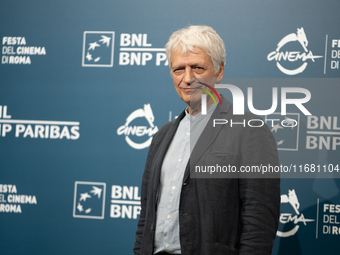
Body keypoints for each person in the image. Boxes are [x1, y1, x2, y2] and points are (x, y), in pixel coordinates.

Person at [134, 25, 280, 255]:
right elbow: (146, 217)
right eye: (178, 69)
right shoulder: (162, 136)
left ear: (219, 71)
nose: (188, 78)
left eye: (198, 68)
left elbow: (259, 221)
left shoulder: (250, 130)